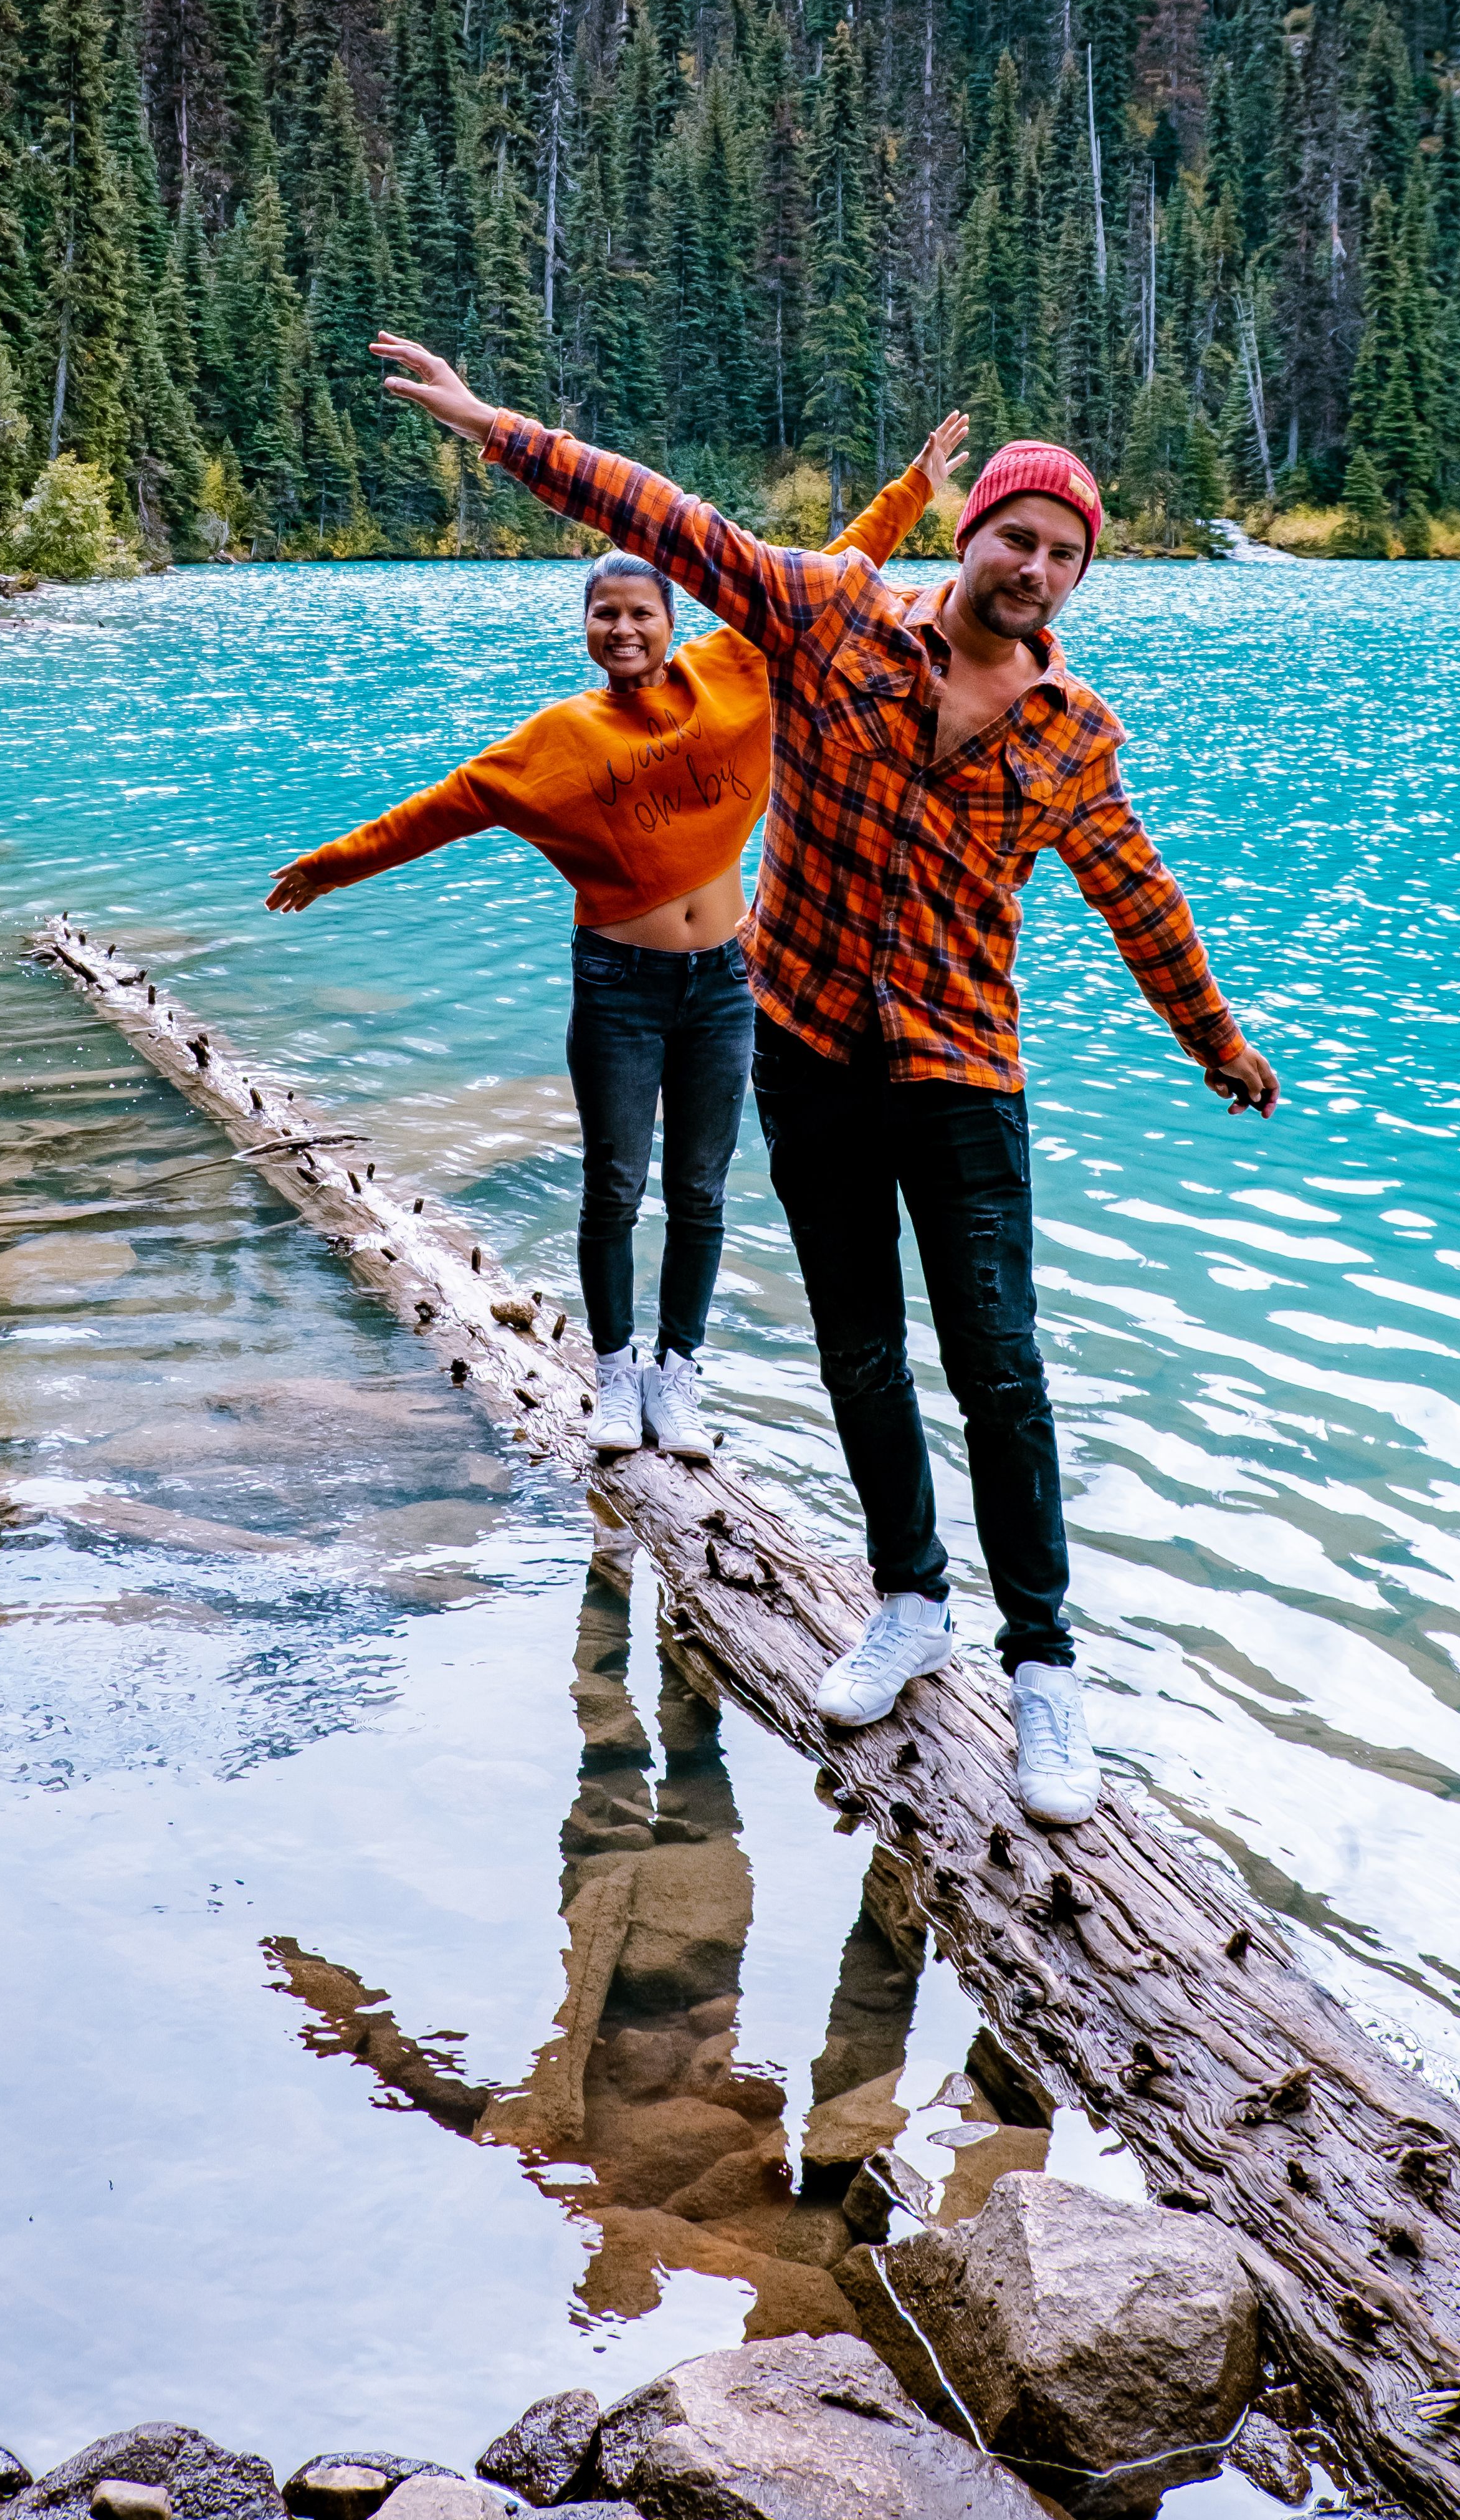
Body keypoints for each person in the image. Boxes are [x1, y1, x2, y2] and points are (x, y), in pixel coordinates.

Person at [364, 331, 1281, 1831]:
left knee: (998, 1361)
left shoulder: (1073, 738)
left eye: (1063, 553)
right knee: (858, 1342)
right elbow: (672, 523)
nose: (1035, 566)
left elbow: (1139, 898)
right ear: (967, 531)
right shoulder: (830, 619)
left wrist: (1215, 1043)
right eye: (1015, 535)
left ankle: (1042, 1668)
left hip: (962, 1067)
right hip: (805, 1050)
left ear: (1078, 579)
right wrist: (498, 430)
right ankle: (907, 1603)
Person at [265, 417, 968, 1464]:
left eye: (641, 612)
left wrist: (914, 487)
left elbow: (838, 566)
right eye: (606, 616)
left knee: (699, 1187)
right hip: (620, 986)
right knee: (615, 1183)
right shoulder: (555, 744)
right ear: (587, 628)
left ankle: (676, 1376)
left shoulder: (742, 667)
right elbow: (435, 811)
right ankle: (611, 1373)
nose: (623, 630)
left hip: (729, 979)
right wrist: (333, 865)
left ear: (672, 620)